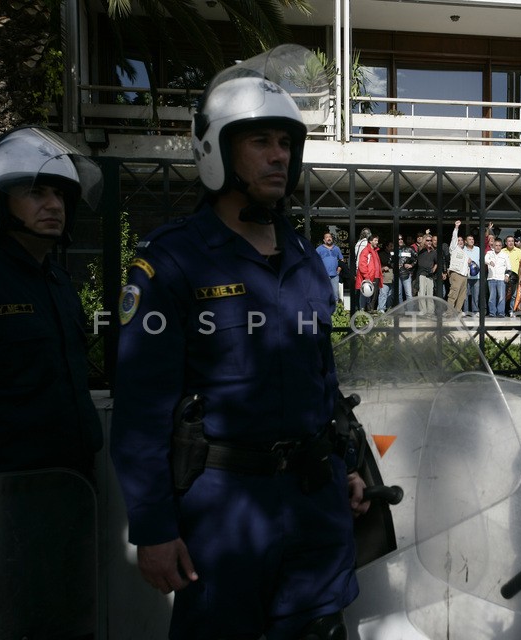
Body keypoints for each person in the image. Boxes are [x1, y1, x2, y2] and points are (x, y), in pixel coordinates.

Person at [109, 47, 369, 639]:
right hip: (224, 516)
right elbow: (140, 408)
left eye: (286, 143)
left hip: (313, 503)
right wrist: (152, 527)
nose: (279, 155)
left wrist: (349, 464)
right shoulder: (170, 261)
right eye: (260, 142)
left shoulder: (304, 257)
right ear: (216, 151)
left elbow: (322, 379)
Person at [0, 125, 104, 515]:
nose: (54, 204)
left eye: (60, 193)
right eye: (35, 191)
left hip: (70, 487)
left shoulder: (57, 281)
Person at [445, 220, 469, 315]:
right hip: (456, 273)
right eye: (458, 241)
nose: (460, 242)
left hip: (464, 275)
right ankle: (449, 312)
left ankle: (457, 311)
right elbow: (454, 238)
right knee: (453, 293)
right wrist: (456, 228)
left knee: (462, 295)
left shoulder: (465, 252)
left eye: (461, 240)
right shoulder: (454, 248)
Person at [355, 233, 382, 312]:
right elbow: (362, 265)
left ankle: (370, 311)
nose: (377, 242)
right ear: (370, 241)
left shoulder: (374, 251)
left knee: (373, 296)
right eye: (375, 240)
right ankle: (362, 311)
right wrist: (366, 277)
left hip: (376, 276)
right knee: (365, 294)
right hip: (368, 277)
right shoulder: (366, 251)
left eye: (377, 240)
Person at [316, 231, 344, 302]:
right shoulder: (319, 249)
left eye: (330, 237)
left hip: (335, 275)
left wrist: (339, 269)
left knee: (335, 295)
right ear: (324, 240)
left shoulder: (336, 248)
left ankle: (335, 312)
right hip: (323, 275)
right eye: (327, 237)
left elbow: (341, 259)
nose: (329, 238)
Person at [485, 237, 509, 317]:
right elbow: (485, 259)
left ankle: (501, 313)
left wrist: (507, 275)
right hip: (491, 278)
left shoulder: (505, 255)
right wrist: (489, 262)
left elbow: (509, 268)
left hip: (501, 279)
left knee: (501, 297)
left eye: (499, 245)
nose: (498, 247)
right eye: (496, 245)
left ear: (501, 246)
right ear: (493, 246)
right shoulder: (489, 253)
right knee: (492, 297)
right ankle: (492, 313)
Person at [416, 234, 438, 312]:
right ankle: (423, 311)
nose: (429, 242)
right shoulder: (421, 249)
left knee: (430, 294)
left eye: (430, 240)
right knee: (421, 293)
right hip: (421, 273)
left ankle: (430, 311)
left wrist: (434, 269)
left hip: (430, 274)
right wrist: (425, 236)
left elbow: (437, 262)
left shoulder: (434, 252)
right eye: (427, 240)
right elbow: (420, 244)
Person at [503, 234, 521, 317]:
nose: (511, 243)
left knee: (513, 295)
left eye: (512, 241)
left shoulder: (519, 251)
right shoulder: (502, 251)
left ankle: (511, 311)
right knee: (503, 295)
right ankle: (502, 311)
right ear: (506, 243)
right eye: (509, 241)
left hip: (515, 277)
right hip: (504, 276)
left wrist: (520, 277)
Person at [464, 232, 481, 315]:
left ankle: (475, 311)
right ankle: (466, 311)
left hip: (476, 276)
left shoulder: (478, 249)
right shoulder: (463, 250)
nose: (472, 241)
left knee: (475, 295)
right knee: (465, 295)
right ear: (466, 241)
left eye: (472, 239)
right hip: (466, 276)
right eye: (469, 239)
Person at [396, 234, 415, 304]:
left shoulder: (409, 249)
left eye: (401, 239)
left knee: (409, 294)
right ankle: (401, 312)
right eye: (398, 239)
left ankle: (410, 311)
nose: (400, 240)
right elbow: (390, 261)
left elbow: (416, 258)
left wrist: (411, 265)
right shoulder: (393, 249)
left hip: (406, 274)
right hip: (396, 274)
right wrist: (394, 265)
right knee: (398, 294)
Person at [377, 240, 394, 313]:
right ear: (386, 247)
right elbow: (385, 262)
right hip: (385, 275)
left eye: (392, 246)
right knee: (383, 293)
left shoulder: (394, 253)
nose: (392, 247)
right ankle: (381, 309)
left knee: (390, 294)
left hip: (392, 275)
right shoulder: (382, 254)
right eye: (390, 246)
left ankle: (389, 308)